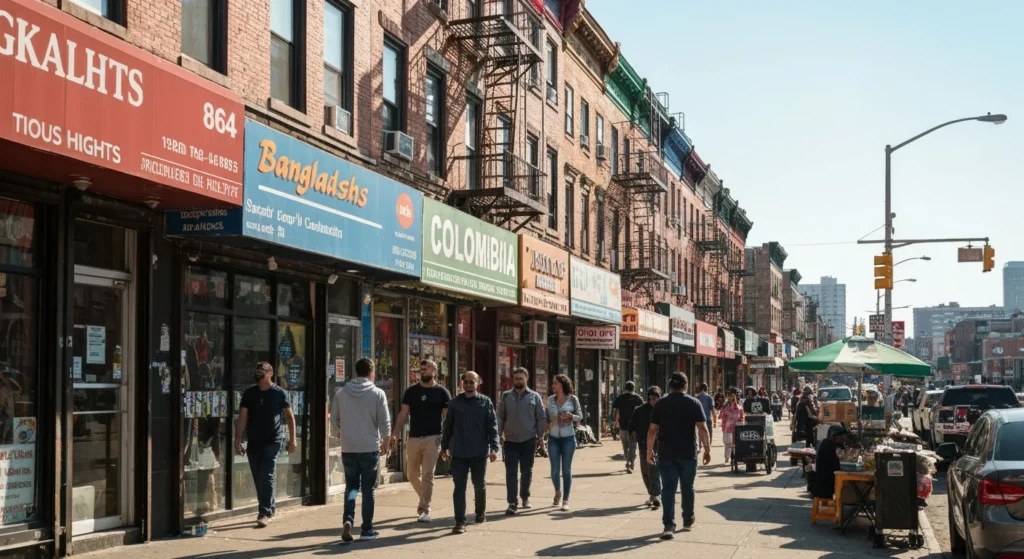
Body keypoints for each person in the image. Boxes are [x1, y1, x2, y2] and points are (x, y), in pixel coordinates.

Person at [331, 358, 391, 542]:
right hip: (369, 447)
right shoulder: (378, 393)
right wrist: (386, 443)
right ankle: (367, 529)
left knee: (351, 486)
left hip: (349, 447)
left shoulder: (341, 393)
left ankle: (348, 519)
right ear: (371, 372)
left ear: (355, 372)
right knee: (368, 489)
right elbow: (385, 423)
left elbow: (334, 420)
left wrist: (342, 432)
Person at [646, 372, 711, 540]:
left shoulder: (660, 404)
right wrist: (707, 449)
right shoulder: (694, 403)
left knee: (668, 489)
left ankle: (668, 525)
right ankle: (688, 520)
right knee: (687, 487)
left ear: (670, 386)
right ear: (686, 386)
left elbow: (652, 430)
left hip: (666, 453)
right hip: (688, 453)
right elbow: (702, 428)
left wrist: (649, 450)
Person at [234, 361, 297, 528]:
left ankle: (264, 512)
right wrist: (238, 438)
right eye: (257, 370)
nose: (258, 373)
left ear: (270, 373)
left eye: (261, 370)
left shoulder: (279, 393)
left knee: (266, 475)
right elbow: (243, 418)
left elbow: (290, 417)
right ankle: (270, 508)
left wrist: (293, 439)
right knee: (258, 477)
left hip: (273, 440)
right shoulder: (249, 394)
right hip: (253, 441)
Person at [390, 360, 451, 523]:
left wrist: (448, 440)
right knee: (411, 474)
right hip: (414, 438)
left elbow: (448, 418)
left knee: (428, 474)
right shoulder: (411, 392)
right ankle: (425, 496)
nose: (422, 371)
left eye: (426, 369)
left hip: (433, 438)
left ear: (434, 371)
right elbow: (403, 413)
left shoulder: (442, 392)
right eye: (421, 369)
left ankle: (424, 508)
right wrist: (395, 432)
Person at [441, 371, 499, 535]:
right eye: (465, 382)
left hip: (479, 452)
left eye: (471, 382)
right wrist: (444, 447)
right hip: (459, 452)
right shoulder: (454, 404)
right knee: (459, 487)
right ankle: (460, 521)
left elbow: (492, 427)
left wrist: (494, 447)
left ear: (477, 383)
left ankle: (480, 513)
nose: (468, 385)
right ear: (462, 383)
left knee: (479, 484)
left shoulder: (485, 403)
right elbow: (448, 427)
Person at [497, 367, 546, 515]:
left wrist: (540, 436)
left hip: (528, 440)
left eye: (521, 378)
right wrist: (498, 435)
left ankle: (525, 497)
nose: (518, 381)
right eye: (516, 379)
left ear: (526, 378)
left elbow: (541, 418)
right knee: (510, 472)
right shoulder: (506, 396)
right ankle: (512, 502)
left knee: (526, 471)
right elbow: (500, 418)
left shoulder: (534, 397)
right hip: (510, 441)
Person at [547, 374, 582, 511]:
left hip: (568, 438)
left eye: (555, 383)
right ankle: (557, 491)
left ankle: (566, 499)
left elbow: (580, 416)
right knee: (555, 470)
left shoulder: (573, 399)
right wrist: (547, 423)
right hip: (553, 437)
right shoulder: (550, 399)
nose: (553, 386)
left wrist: (571, 416)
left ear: (562, 385)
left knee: (566, 470)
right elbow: (546, 415)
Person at [628, 386, 662, 509]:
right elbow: (632, 425)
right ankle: (653, 494)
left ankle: (657, 494)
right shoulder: (640, 410)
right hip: (643, 444)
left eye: (656, 398)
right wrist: (632, 432)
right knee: (645, 471)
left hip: (659, 444)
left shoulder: (662, 410)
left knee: (654, 470)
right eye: (652, 398)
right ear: (648, 398)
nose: (654, 401)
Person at [612, 381, 645, 473]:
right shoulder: (638, 398)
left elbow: (617, 412)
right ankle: (630, 462)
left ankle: (628, 463)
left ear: (625, 388)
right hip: (634, 427)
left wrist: (616, 422)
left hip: (623, 426)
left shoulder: (620, 398)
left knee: (625, 446)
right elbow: (642, 412)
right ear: (634, 388)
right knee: (633, 446)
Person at [811, 425, 848, 499]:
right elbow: (837, 466)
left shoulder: (828, 444)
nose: (843, 438)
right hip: (825, 486)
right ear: (833, 436)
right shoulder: (827, 446)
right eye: (840, 436)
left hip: (826, 483)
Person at [719, 391, 744, 464]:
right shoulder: (725, 408)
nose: (732, 401)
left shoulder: (739, 408)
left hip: (737, 428)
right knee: (728, 444)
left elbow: (742, 417)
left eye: (733, 399)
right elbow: (723, 419)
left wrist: (741, 425)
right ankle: (727, 459)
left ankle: (736, 458)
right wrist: (723, 429)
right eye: (730, 399)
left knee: (737, 444)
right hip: (728, 429)